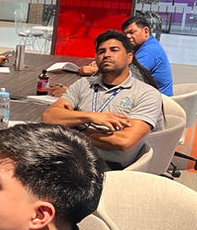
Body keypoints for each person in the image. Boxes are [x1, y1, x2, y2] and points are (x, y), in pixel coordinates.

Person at [42, 30, 163, 170]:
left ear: (129, 58)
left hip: (108, 166)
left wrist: (76, 129)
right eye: (101, 51)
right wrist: (92, 117)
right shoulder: (84, 84)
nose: (106, 55)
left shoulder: (146, 94)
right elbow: (49, 117)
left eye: (114, 50)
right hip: (71, 155)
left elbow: (124, 141)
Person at [77, 14, 173, 96]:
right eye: (125, 33)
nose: (128, 36)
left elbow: (127, 74)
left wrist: (94, 70)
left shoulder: (150, 50)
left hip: (158, 101)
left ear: (146, 31)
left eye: (132, 32)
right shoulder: (144, 45)